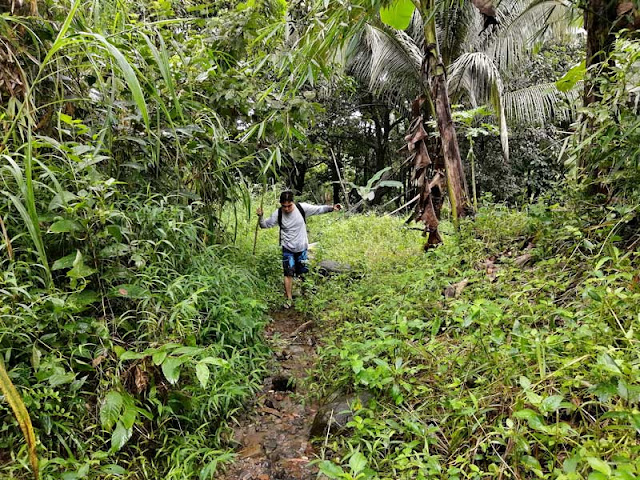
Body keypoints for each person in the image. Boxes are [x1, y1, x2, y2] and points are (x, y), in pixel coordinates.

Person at [257, 191, 342, 308]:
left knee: (304, 273)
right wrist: (260, 216)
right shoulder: (278, 214)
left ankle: (306, 296)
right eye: (284, 206)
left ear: (293, 202)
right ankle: (289, 299)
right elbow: (264, 225)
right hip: (287, 248)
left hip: (302, 247)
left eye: (289, 206)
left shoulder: (302, 208)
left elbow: (318, 209)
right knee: (288, 273)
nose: (286, 209)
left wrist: (332, 208)